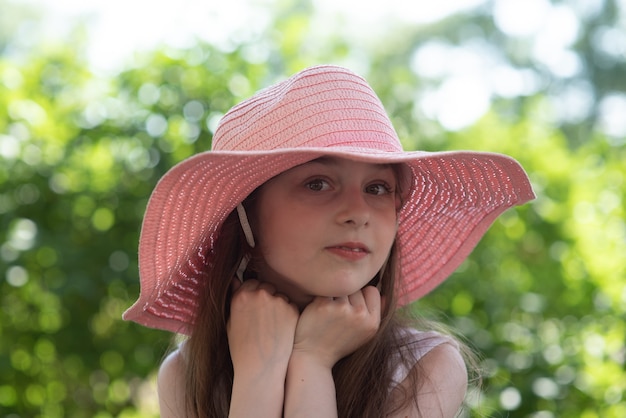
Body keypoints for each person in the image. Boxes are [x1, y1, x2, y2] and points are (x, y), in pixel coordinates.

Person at [123, 65, 534, 417]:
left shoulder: (425, 366)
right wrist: (258, 374)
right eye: (318, 183)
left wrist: (312, 362)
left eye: (377, 188)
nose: (358, 212)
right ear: (245, 216)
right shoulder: (188, 374)